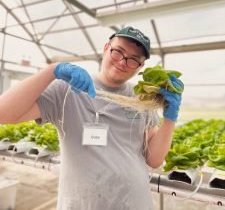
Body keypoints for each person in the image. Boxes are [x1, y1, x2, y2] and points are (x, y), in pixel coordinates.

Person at [0, 26, 183, 210]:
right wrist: (52, 71)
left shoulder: (141, 98)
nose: (122, 62)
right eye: (118, 51)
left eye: (134, 59)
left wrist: (170, 117)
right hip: (83, 204)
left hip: (134, 203)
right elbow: (3, 113)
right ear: (106, 48)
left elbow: (154, 159)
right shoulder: (67, 89)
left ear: (141, 67)